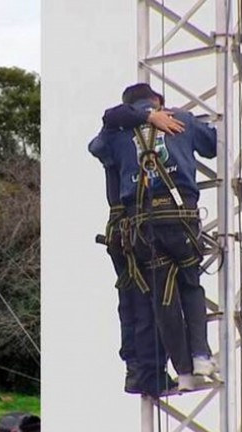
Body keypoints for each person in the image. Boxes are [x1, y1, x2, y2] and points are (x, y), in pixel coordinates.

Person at [90, 82, 217, 392]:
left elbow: (95, 148)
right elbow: (211, 147)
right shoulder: (181, 119)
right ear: (158, 100)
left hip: (143, 227)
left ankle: (184, 372)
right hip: (180, 217)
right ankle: (200, 356)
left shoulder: (117, 134)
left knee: (164, 300)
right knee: (189, 284)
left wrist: (134, 120)